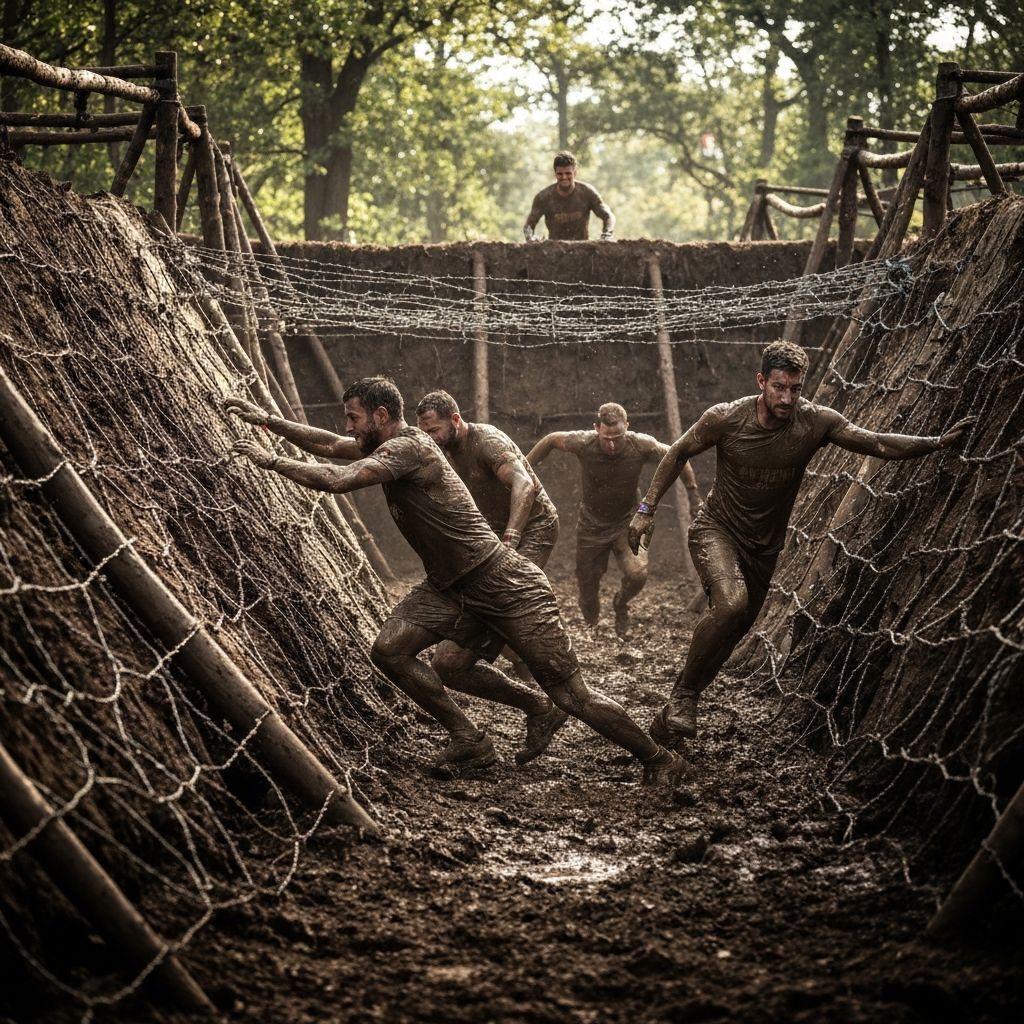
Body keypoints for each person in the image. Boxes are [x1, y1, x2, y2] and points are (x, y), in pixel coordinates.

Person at [225, 379, 684, 786]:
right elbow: (328, 446)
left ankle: (657, 756)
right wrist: (267, 421)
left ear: (381, 416)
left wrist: (268, 461)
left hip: (502, 581)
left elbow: (339, 479)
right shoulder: (387, 446)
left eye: (354, 417)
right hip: (448, 587)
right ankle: (474, 736)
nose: (348, 427)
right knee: (394, 651)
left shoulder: (409, 447)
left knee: (572, 694)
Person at [628, 340, 976, 748]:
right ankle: (683, 696)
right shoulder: (725, 418)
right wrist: (646, 508)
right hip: (716, 530)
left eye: (795, 388)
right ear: (762, 381)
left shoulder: (815, 423)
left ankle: (669, 720)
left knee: (732, 630)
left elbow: (876, 442)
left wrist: (935, 442)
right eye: (779, 387)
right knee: (731, 603)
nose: (787, 397)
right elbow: (679, 451)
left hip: (764, 549)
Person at [415, 389, 558, 682]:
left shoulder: (487, 441)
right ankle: (521, 659)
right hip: (491, 530)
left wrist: (511, 538)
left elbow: (524, 484)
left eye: (434, 430)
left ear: (455, 419)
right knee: (481, 595)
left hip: (535, 525)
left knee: (503, 592)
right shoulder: (441, 450)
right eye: (424, 432)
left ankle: (547, 666)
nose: (430, 437)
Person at [528, 402, 701, 638]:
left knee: (638, 574)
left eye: (617, 437)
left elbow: (678, 456)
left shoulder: (640, 444)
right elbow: (550, 440)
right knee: (587, 595)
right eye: (606, 437)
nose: (611, 444)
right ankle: (593, 623)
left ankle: (621, 604)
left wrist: (693, 495)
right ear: (596, 428)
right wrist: (524, 469)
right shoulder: (583, 442)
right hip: (591, 524)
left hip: (628, 521)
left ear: (627, 427)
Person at [523, 151, 615, 241]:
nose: (564, 177)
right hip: (554, 252)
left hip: (582, 250)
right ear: (555, 174)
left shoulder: (587, 192)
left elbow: (608, 216)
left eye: (568, 173)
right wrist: (531, 238)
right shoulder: (543, 197)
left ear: (574, 173)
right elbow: (528, 226)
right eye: (560, 174)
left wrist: (607, 234)